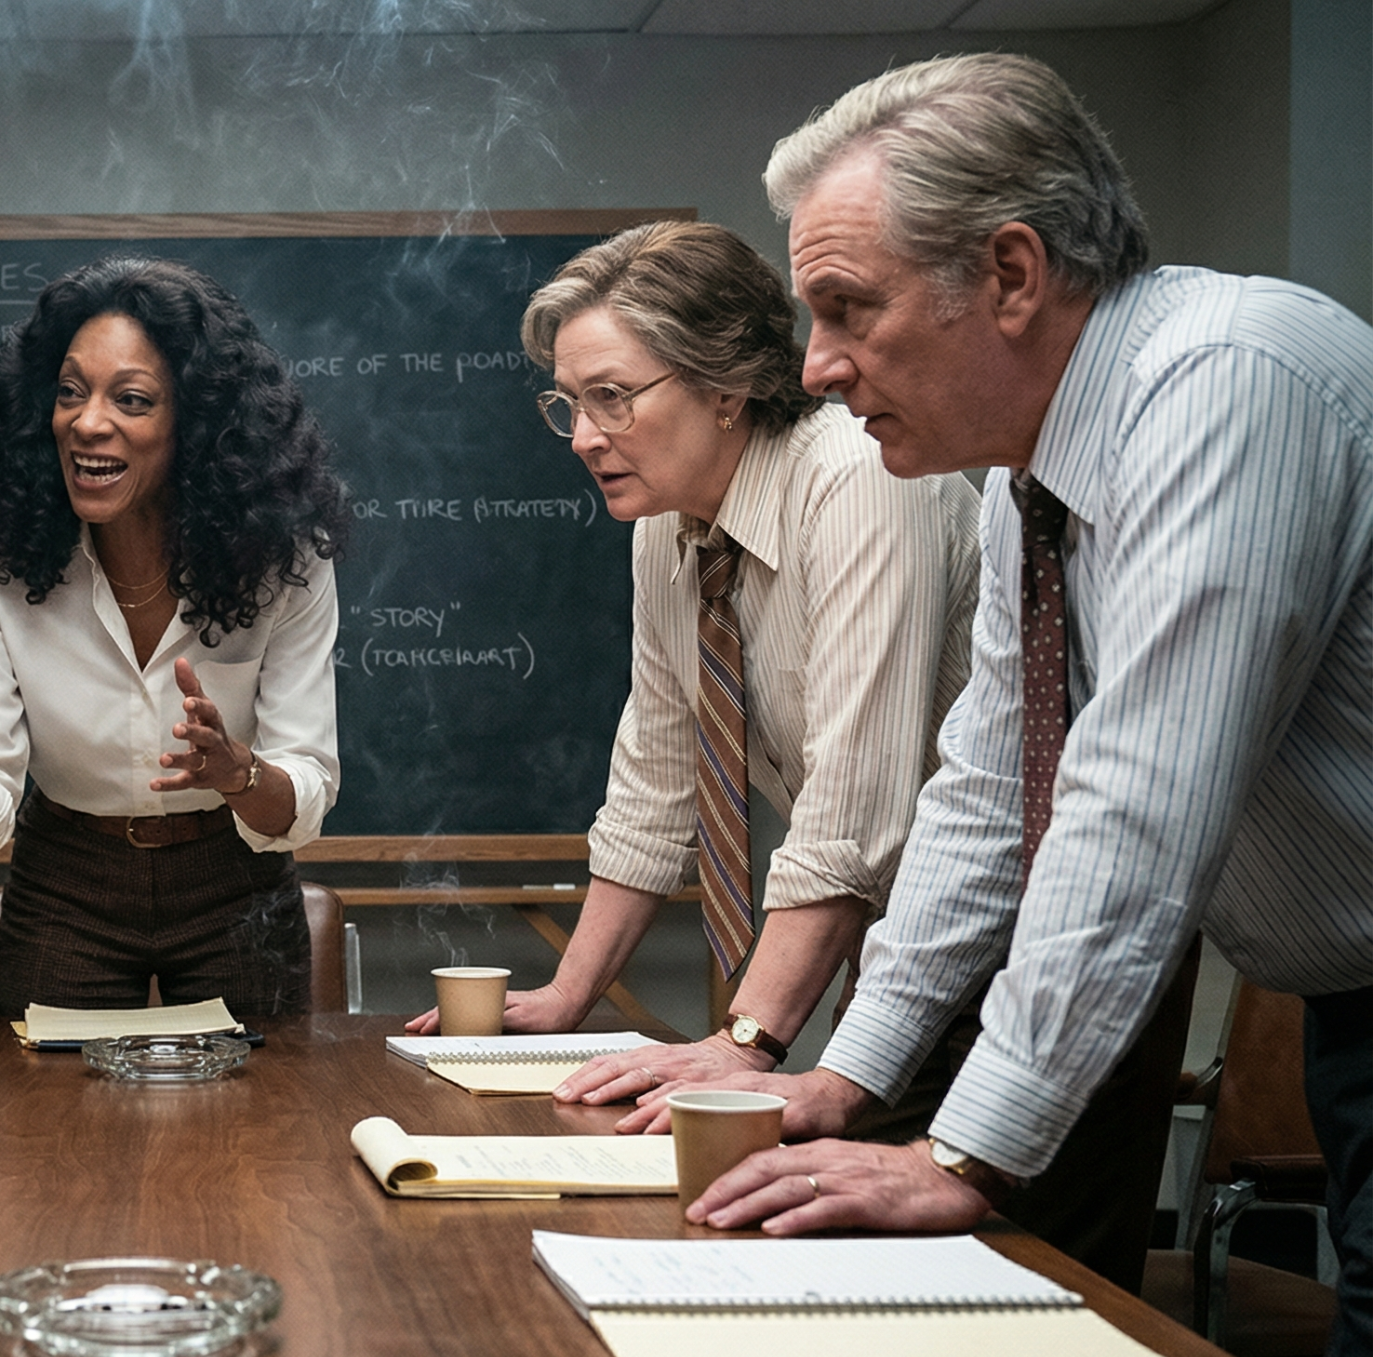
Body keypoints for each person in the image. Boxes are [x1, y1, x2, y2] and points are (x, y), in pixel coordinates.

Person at [665, 54, 1373, 1357]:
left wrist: (964, 1156)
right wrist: (848, 1077)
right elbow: (990, 789)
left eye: (846, 309)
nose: (814, 365)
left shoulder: (1226, 382)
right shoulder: (1028, 473)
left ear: (1009, 272)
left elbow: (1137, 801)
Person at [406, 220, 982, 1145]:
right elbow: (657, 779)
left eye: (613, 397)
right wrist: (564, 997)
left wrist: (745, 1042)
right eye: (569, 404)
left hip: (1020, 946)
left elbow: (854, 811)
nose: (585, 437)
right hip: (897, 945)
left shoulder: (858, 480)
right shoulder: (667, 530)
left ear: (725, 386)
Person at [0, 256, 347, 1021]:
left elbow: (301, 789)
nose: (87, 422)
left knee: (267, 1121)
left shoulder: (288, 560)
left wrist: (240, 774)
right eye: (70, 392)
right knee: (46, 1123)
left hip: (234, 877)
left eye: (131, 399)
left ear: (198, 425)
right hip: (66, 880)